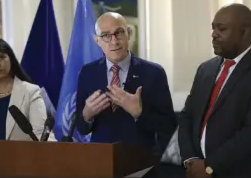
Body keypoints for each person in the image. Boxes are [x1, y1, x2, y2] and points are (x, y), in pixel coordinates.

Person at [178, 3, 251, 178]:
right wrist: (190, 159)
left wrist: (209, 167)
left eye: (222, 29)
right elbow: (187, 116)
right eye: (213, 28)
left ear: (244, 32)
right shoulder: (205, 69)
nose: (213, 34)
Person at [75, 12, 177, 156]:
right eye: (106, 35)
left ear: (128, 34)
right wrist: (87, 115)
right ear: (97, 40)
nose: (114, 41)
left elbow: (168, 126)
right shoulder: (87, 73)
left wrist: (139, 113)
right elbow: (81, 127)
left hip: (140, 160)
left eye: (119, 33)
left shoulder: (154, 73)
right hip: (100, 160)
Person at [0, 37, 47, 141]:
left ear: (11, 58)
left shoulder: (31, 92)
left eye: (0, 58)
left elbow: (39, 135)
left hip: (20, 156)